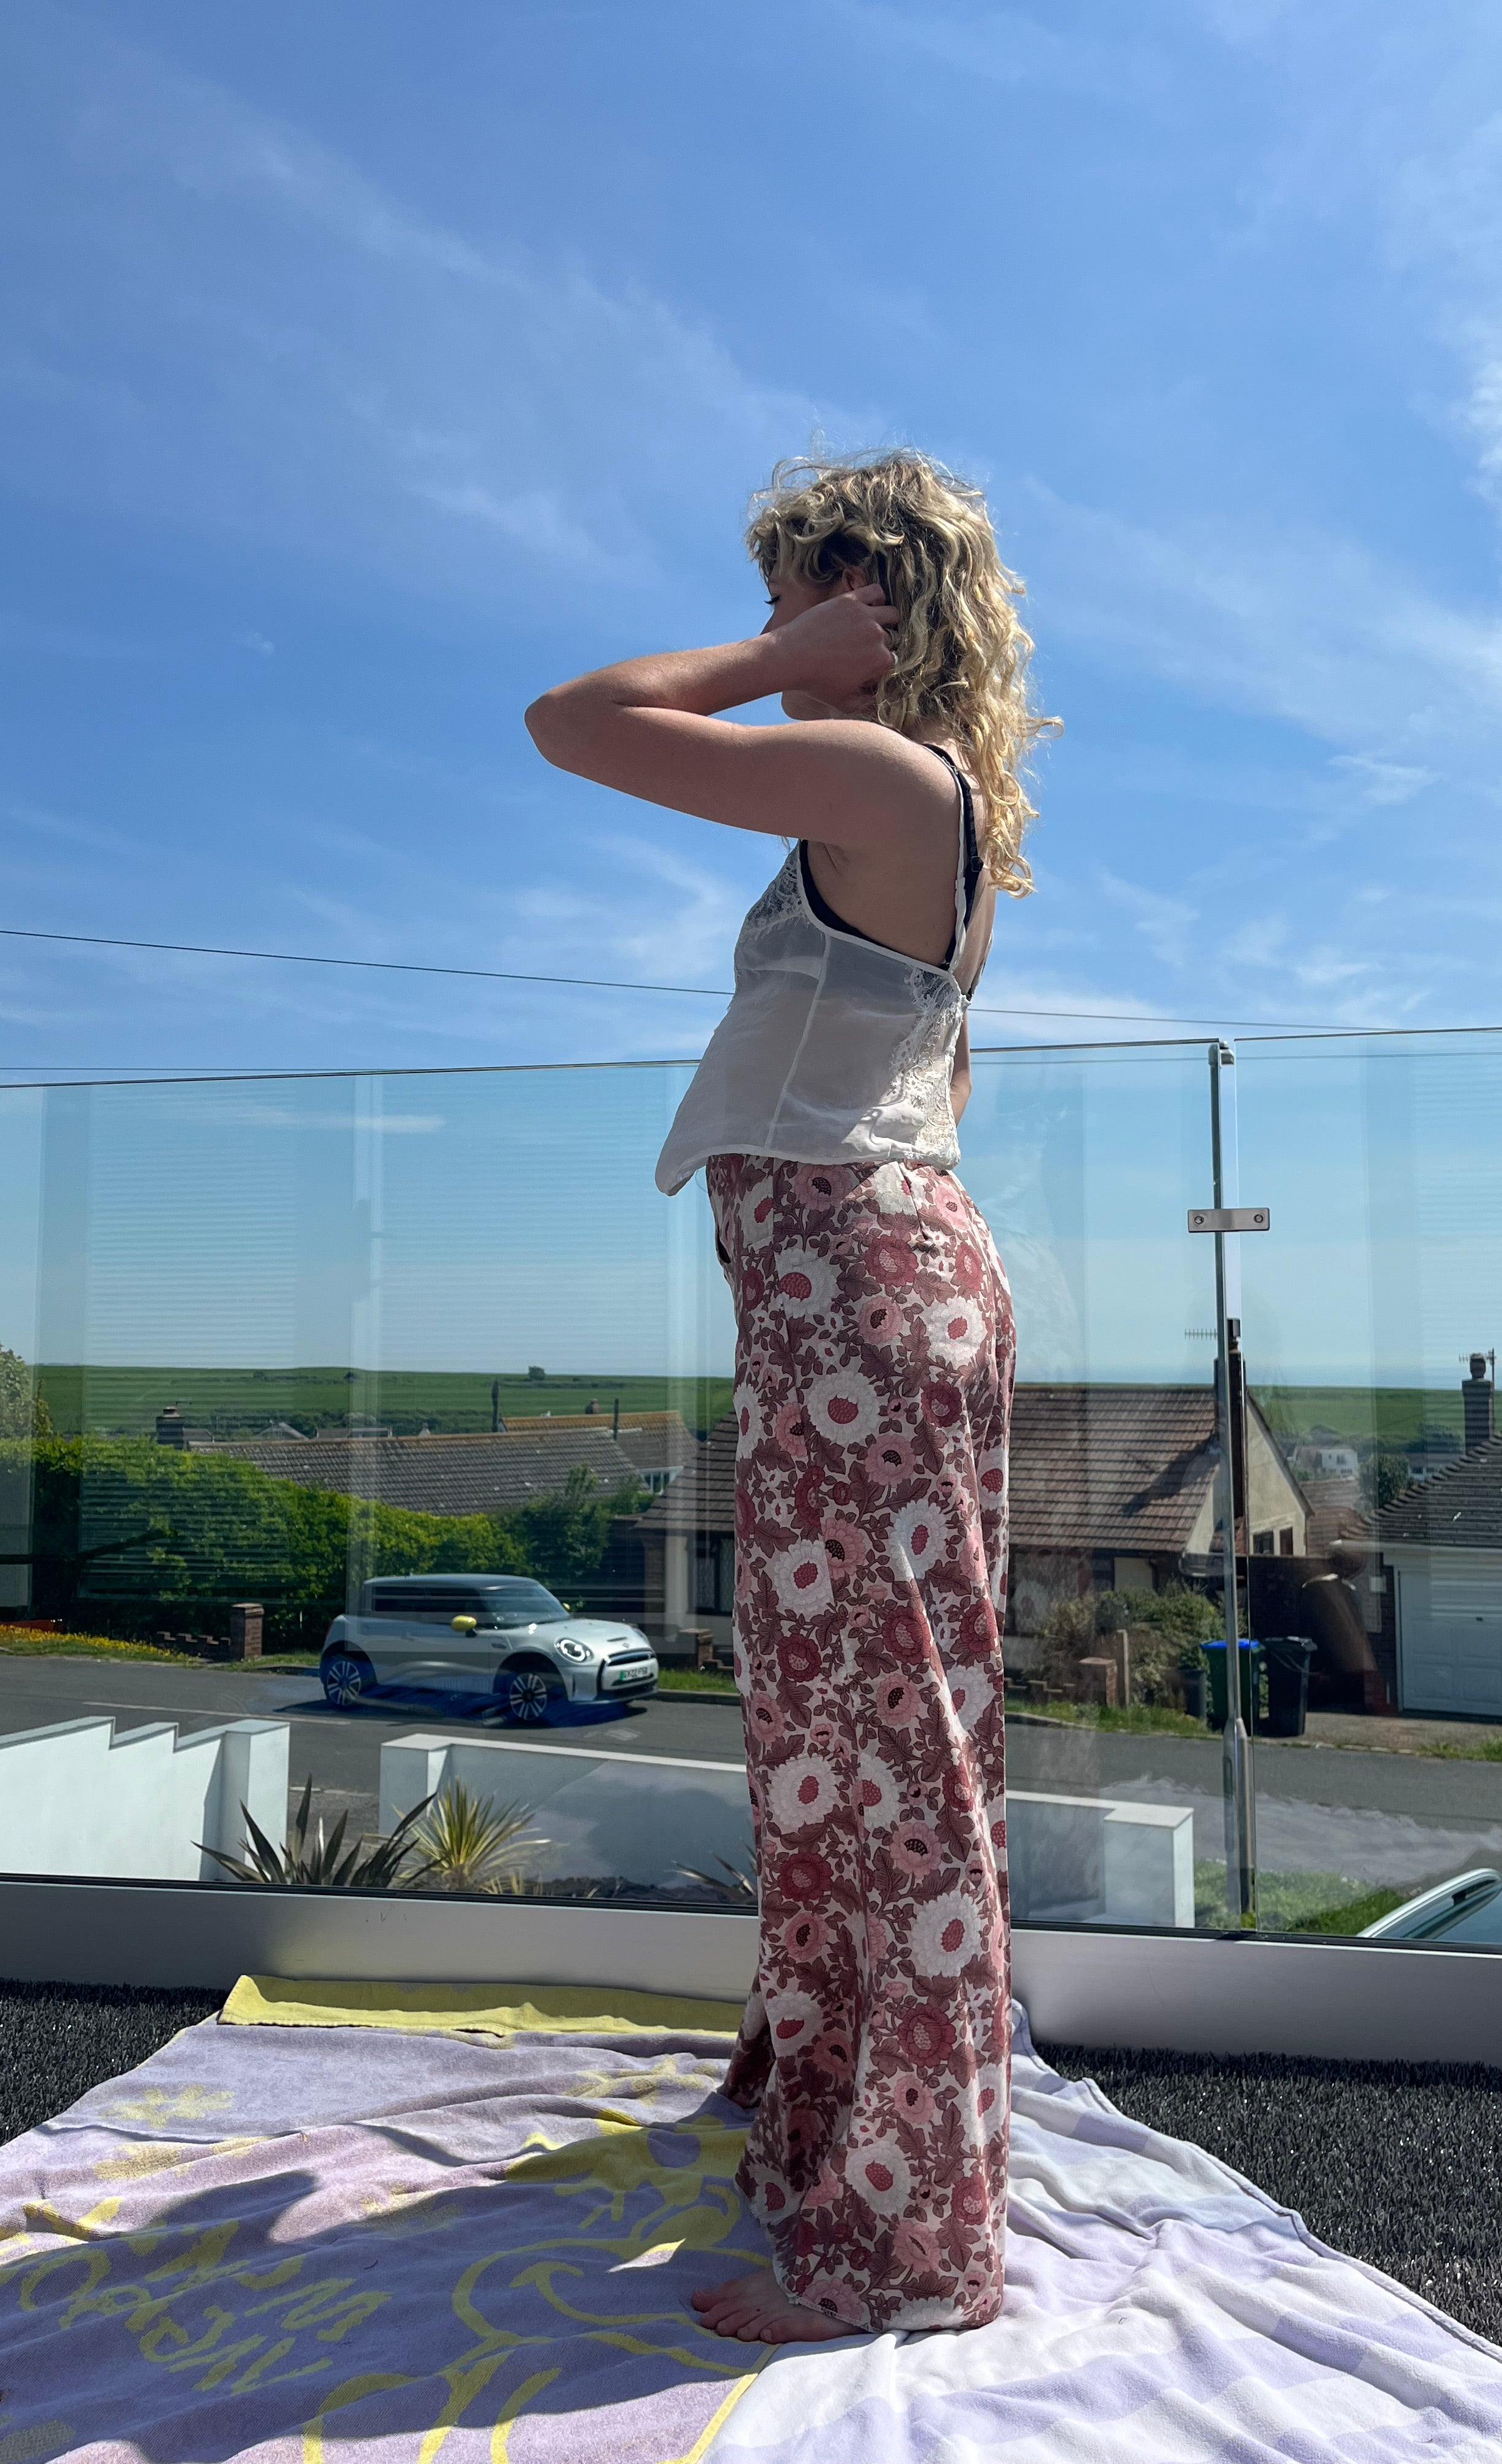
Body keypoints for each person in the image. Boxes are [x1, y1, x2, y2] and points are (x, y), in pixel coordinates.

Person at [524, 451, 1057, 2344]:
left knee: (889, 1756)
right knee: (839, 1744)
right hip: (863, 1292)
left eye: (805, 583)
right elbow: (932, 1084)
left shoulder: (885, 774)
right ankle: (845, 2135)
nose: (776, 617)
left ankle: (910, 2252)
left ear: (872, 591)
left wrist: (774, 656)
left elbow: (571, 720)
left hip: (862, 1303)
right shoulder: (923, 798)